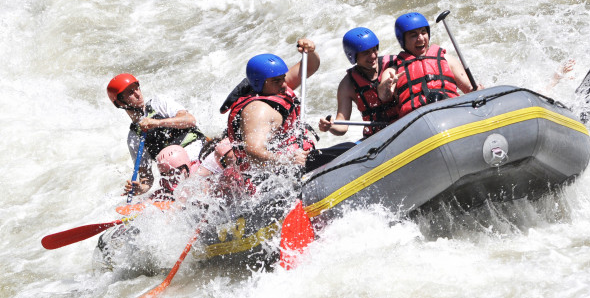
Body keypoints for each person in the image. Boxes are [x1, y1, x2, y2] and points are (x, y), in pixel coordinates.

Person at [221, 39, 320, 186]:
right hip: (268, 181)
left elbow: (310, 66)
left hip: (299, 162)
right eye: (276, 81)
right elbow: (253, 151)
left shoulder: (276, 87)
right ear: (258, 83)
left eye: (283, 78)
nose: (284, 85)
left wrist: (310, 52)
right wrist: (288, 160)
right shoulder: (258, 110)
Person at [106, 74, 207, 196]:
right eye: (130, 92)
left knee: (173, 157)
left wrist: (157, 123)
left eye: (137, 88)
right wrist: (141, 189)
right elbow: (147, 179)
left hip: (200, 153)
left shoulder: (159, 103)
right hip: (176, 172)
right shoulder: (134, 138)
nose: (137, 93)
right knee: (170, 161)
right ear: (120, 103)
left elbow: (190, 120)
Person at [378, 12, 481, 117]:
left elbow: (469, 89)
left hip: (451, 112)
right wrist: (386, 86)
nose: (421, 38)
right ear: (403, 40)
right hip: (418, 120)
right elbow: (383, 96)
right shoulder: (393, 71)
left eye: (423, 32)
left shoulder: (447, 59)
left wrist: (476, 90)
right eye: (414, 35)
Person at [318, 27, 399, 138]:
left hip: (404, 125)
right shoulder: (347, 84)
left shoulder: (393, 64)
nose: (373, 56)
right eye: (366, 53)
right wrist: (330, 126)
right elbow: (342, 126)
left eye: (374, 49)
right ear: (353, 56)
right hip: (377, 136)